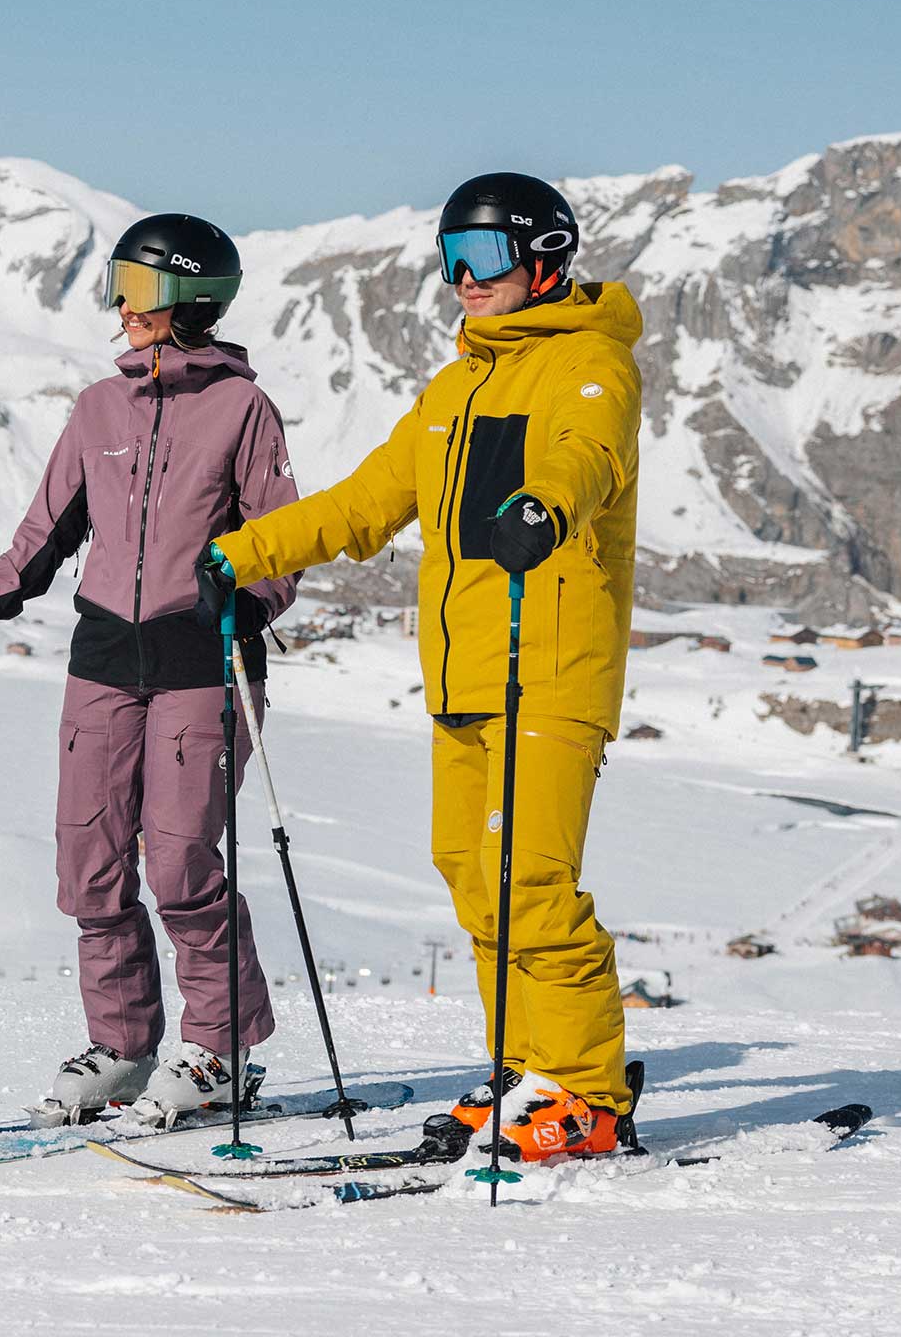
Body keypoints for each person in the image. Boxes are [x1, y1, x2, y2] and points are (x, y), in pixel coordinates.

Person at [203, 171, 643, 1164]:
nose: (463, 279)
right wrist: (244, 553)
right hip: (463, 676)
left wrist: (543, 509)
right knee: (475, 880)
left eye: (482, 256)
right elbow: (364, 503)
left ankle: (587, 1095)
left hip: (548, 666)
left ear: (544, 258)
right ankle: (525, 1068)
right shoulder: (455, 388)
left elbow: (586, 456)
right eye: (449, 259)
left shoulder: (589, 364)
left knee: (530, 879)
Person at [0, 213, 297, 1129]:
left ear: (189, 297)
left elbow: (282, 544)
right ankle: (122, 1048)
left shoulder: (243, 410)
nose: (122, 304)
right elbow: (37, 548)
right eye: (119, 283)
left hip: (202, 666)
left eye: (139, 286)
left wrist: (246, 601)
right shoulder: (96, 409)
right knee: (90, 865)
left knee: (182, 865)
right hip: (104, 664)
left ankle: (222, 1050)